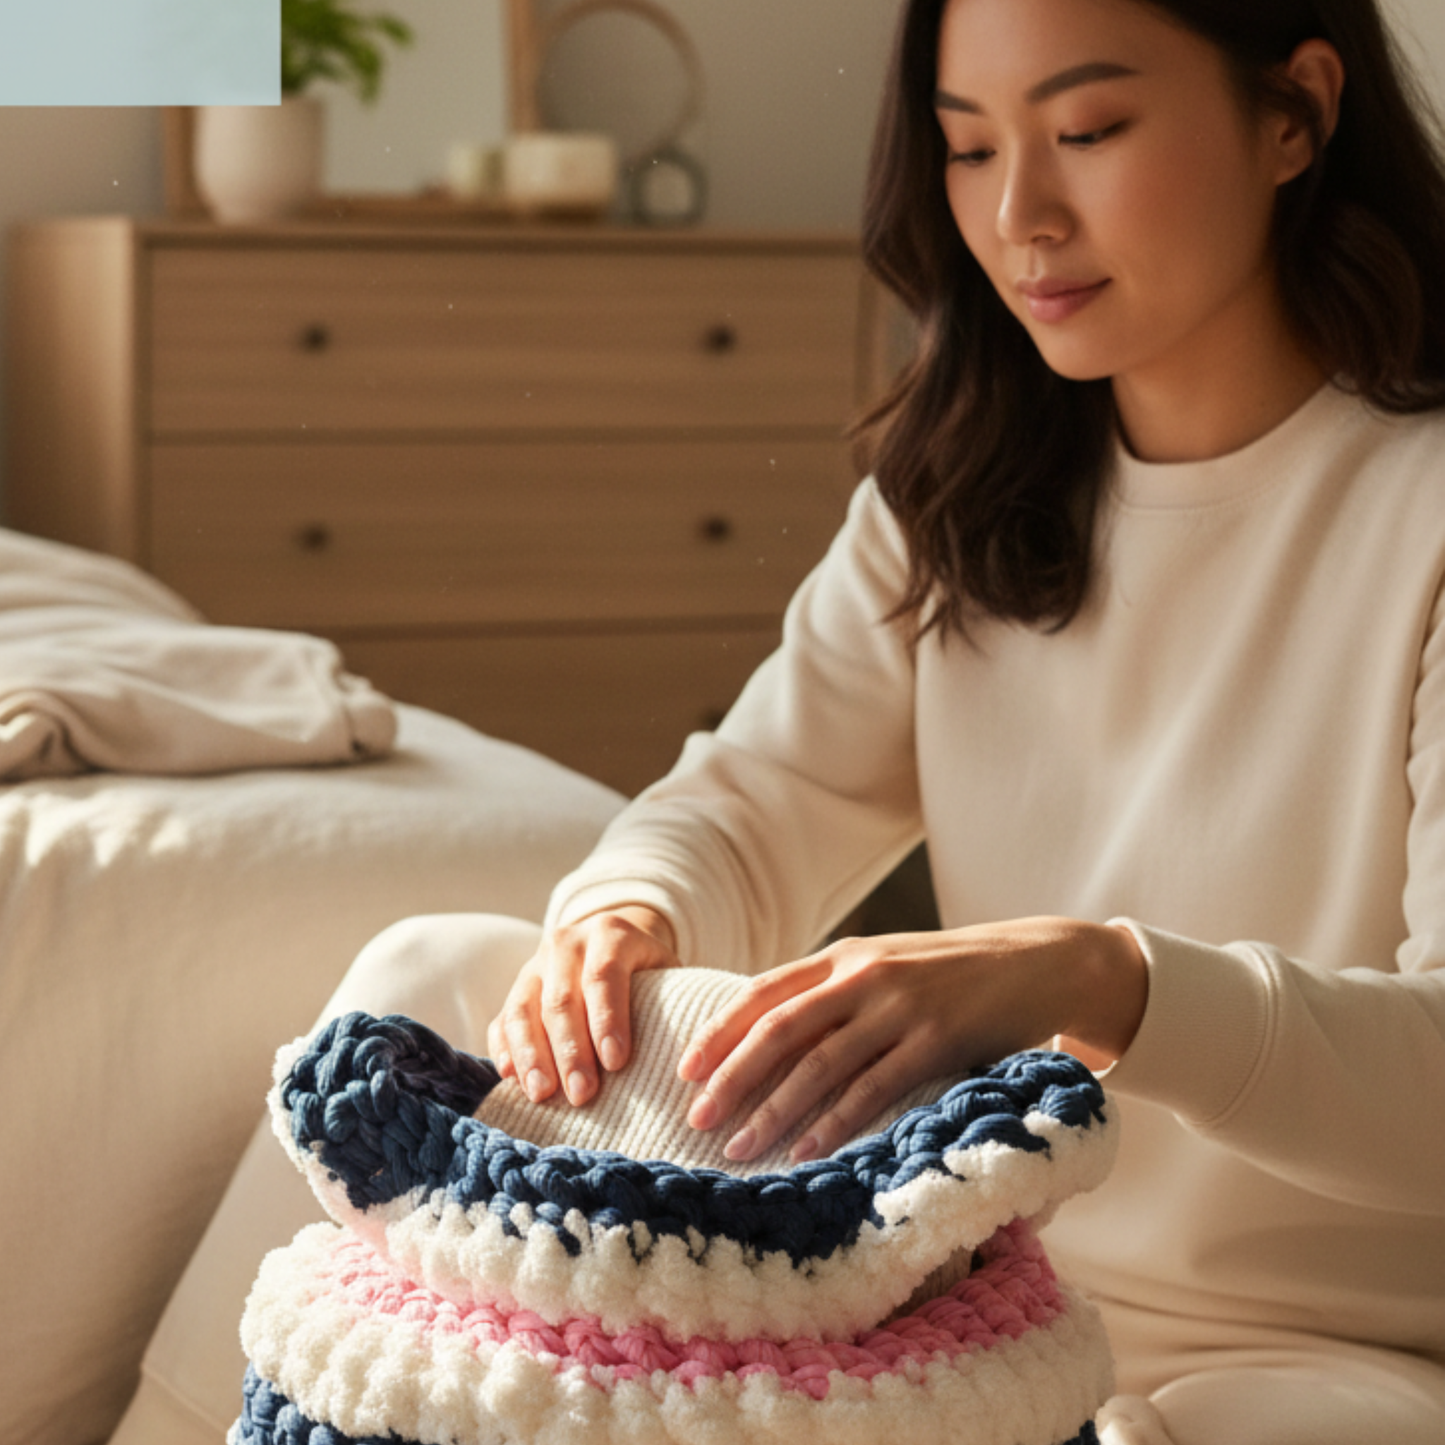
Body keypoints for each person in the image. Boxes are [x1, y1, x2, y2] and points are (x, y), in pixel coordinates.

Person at [110, 1, 1445, 1442]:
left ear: (1296, 113)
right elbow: (750, 805)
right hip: (955, 1294)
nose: (1019, 215)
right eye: (968, 147)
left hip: (1317, 1361)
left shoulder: (1417, 513)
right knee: (430, 976)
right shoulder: (961, 495)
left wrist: (1099, 979)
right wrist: (629, 914)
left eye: (1088, 130)